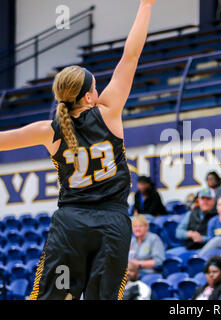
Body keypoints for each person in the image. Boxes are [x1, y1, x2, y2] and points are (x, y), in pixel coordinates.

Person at [0, 0, 156, 300]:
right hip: (112, 225)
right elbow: (131, 55)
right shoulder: (109, 112)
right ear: (87, 97)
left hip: (70, 225)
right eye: (96, 88)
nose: (99, 92)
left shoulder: (48, 130)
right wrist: (146, 4)